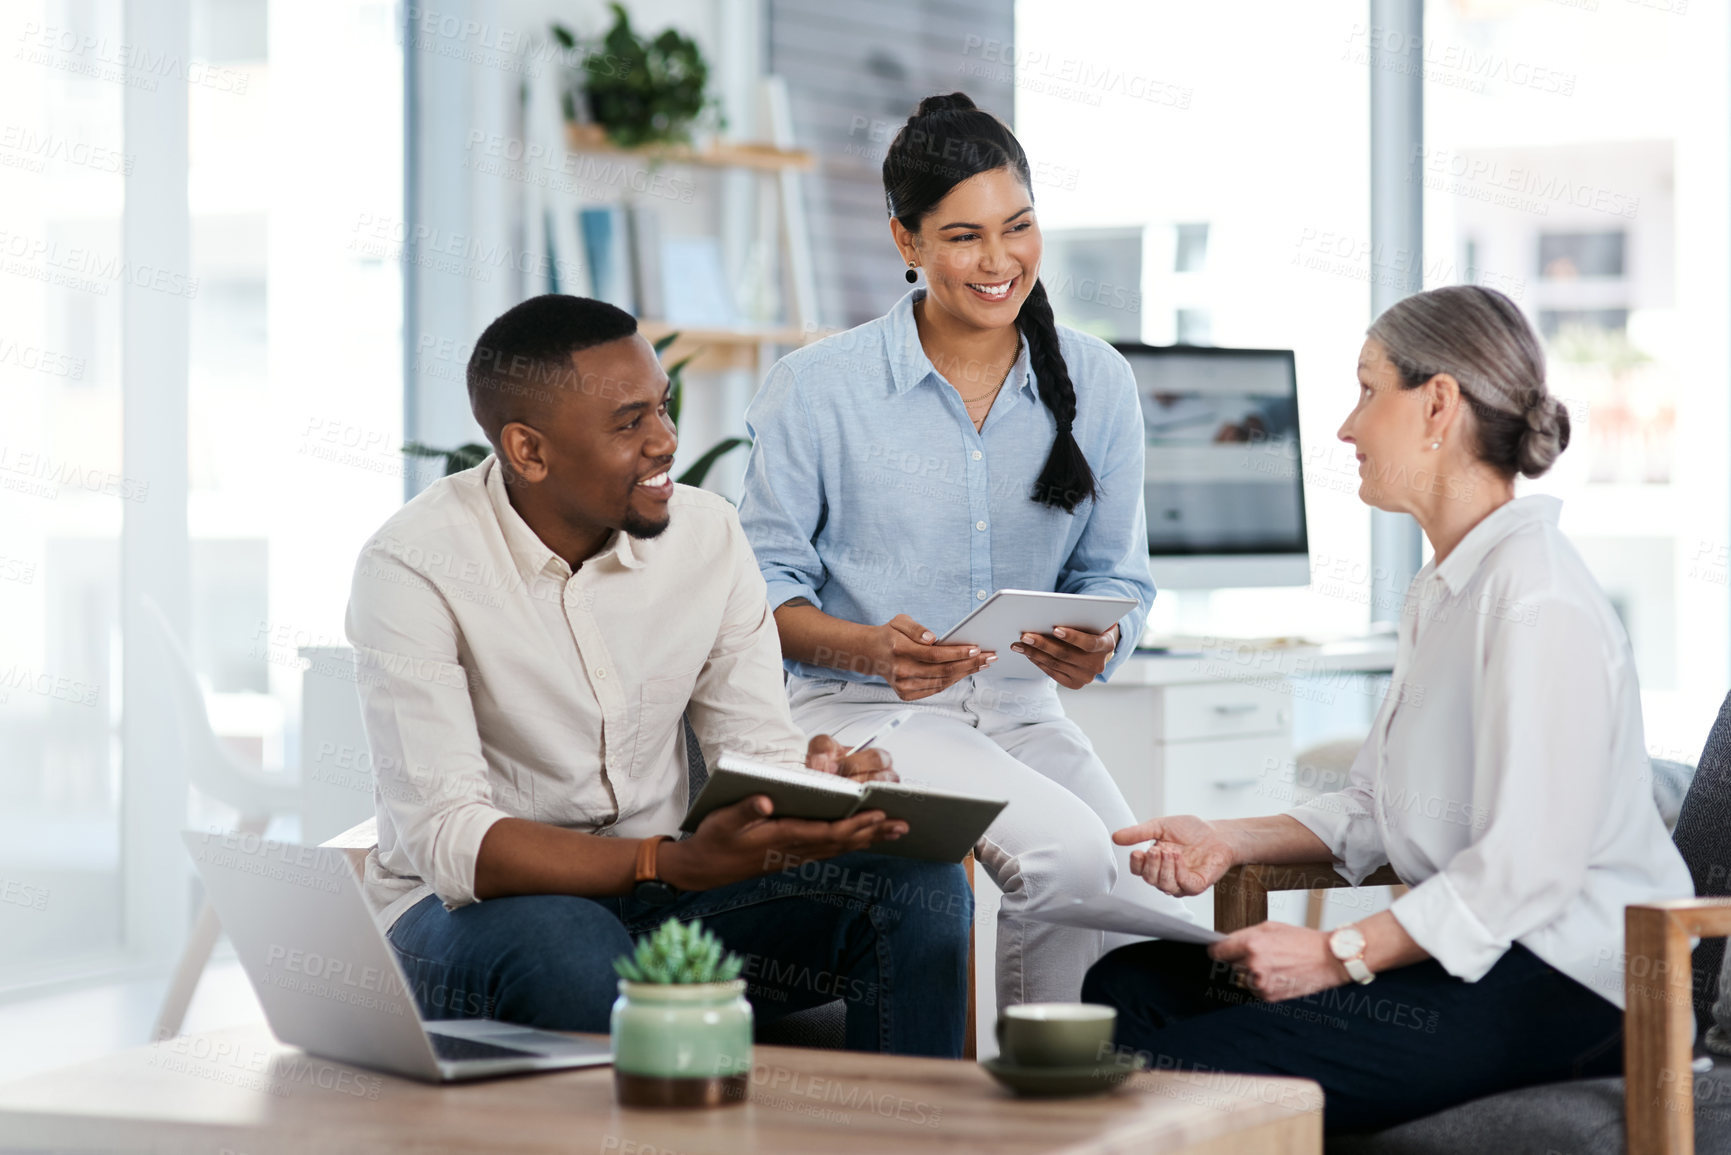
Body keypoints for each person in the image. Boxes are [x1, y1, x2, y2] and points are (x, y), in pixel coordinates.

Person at [1082, 285, 1695, 1132]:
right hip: (1472, 956)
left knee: (1179, 1068)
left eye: (1367, 390)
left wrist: (1335, 953)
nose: (1345, 426)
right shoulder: (1442, 587)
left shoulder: (1536, 596)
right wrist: (1230, 839)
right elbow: (1372, 805)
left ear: (1436, 403)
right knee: (1126, 986)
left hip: (1566, 982)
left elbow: (1528, 866)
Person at [344, 294, 972, 1057]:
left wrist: (807, 796)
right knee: (569, 941)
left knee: (915, 887)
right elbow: (449, 840)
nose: (666, 441)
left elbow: (755, 748)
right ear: (528, 450)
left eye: (663, 408)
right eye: (628, 422)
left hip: (667, 896)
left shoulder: (707, 536)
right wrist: (662, 860)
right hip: (471, 916)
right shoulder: (414, 565)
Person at [736, 92, 1183, 1012]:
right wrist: (869, 648)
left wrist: (1102, 638)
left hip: (1025, 712)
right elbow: (757, 599)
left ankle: (1047, 1120)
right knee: (1065, 853)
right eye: (962, 236)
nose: (998, 261)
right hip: (866, 714)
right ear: (906, 242)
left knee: (1137, 889)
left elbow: (1117, 576)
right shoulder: (817, 389)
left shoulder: (1098, 382)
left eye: (1017, 227)